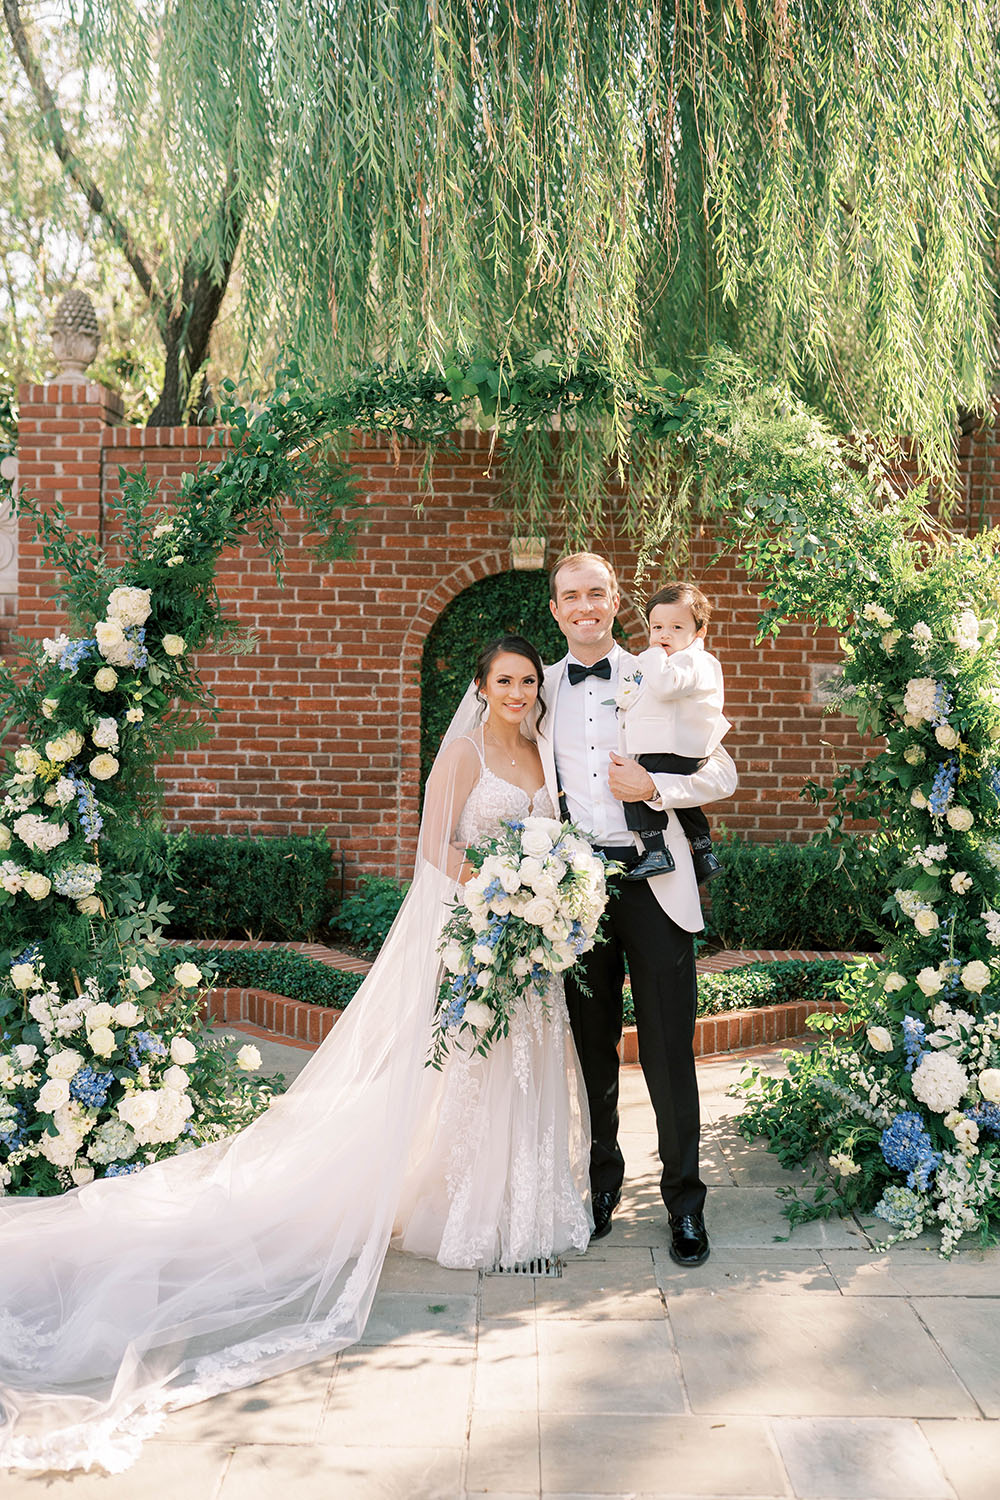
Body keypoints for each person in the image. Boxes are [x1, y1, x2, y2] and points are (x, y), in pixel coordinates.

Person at [0, 635, 591, 1475]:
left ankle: (524, 1209)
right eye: (506, 681)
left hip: (528, 952)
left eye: (529, 681)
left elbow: (556, 840)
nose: (521, 693)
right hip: (477, 933)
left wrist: (550, 898)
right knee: (468, 1068)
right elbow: (434, 849)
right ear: (481, 686)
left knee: (520, 1068)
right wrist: (502, 894)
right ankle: (468, 1207)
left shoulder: (540, 748)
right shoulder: (463, 750)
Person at [535, 552, 738, 1267]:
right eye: (571, 596)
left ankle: (685, 1203)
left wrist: (655, 786)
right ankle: (599, 1189)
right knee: (590, 1052)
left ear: (614, 600)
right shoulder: (538, 690)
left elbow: (722, 771)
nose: (585, 606)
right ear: (556, 609)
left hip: (655, 883)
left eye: (597, 592)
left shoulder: (660, 665)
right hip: (574, 893)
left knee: (667, 1052)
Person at [616, 582, 730, 884]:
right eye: (657, 627)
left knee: (634, 786)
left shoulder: (693, 660)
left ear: (699, 632)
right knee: (684, 802)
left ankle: (656, 851)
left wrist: (651, 655)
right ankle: (704, 852)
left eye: (676, 627)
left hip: (679, 747)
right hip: (680, 748)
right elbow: (639, 694)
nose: (664, 635)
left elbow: (665, 686)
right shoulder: (675, 661)